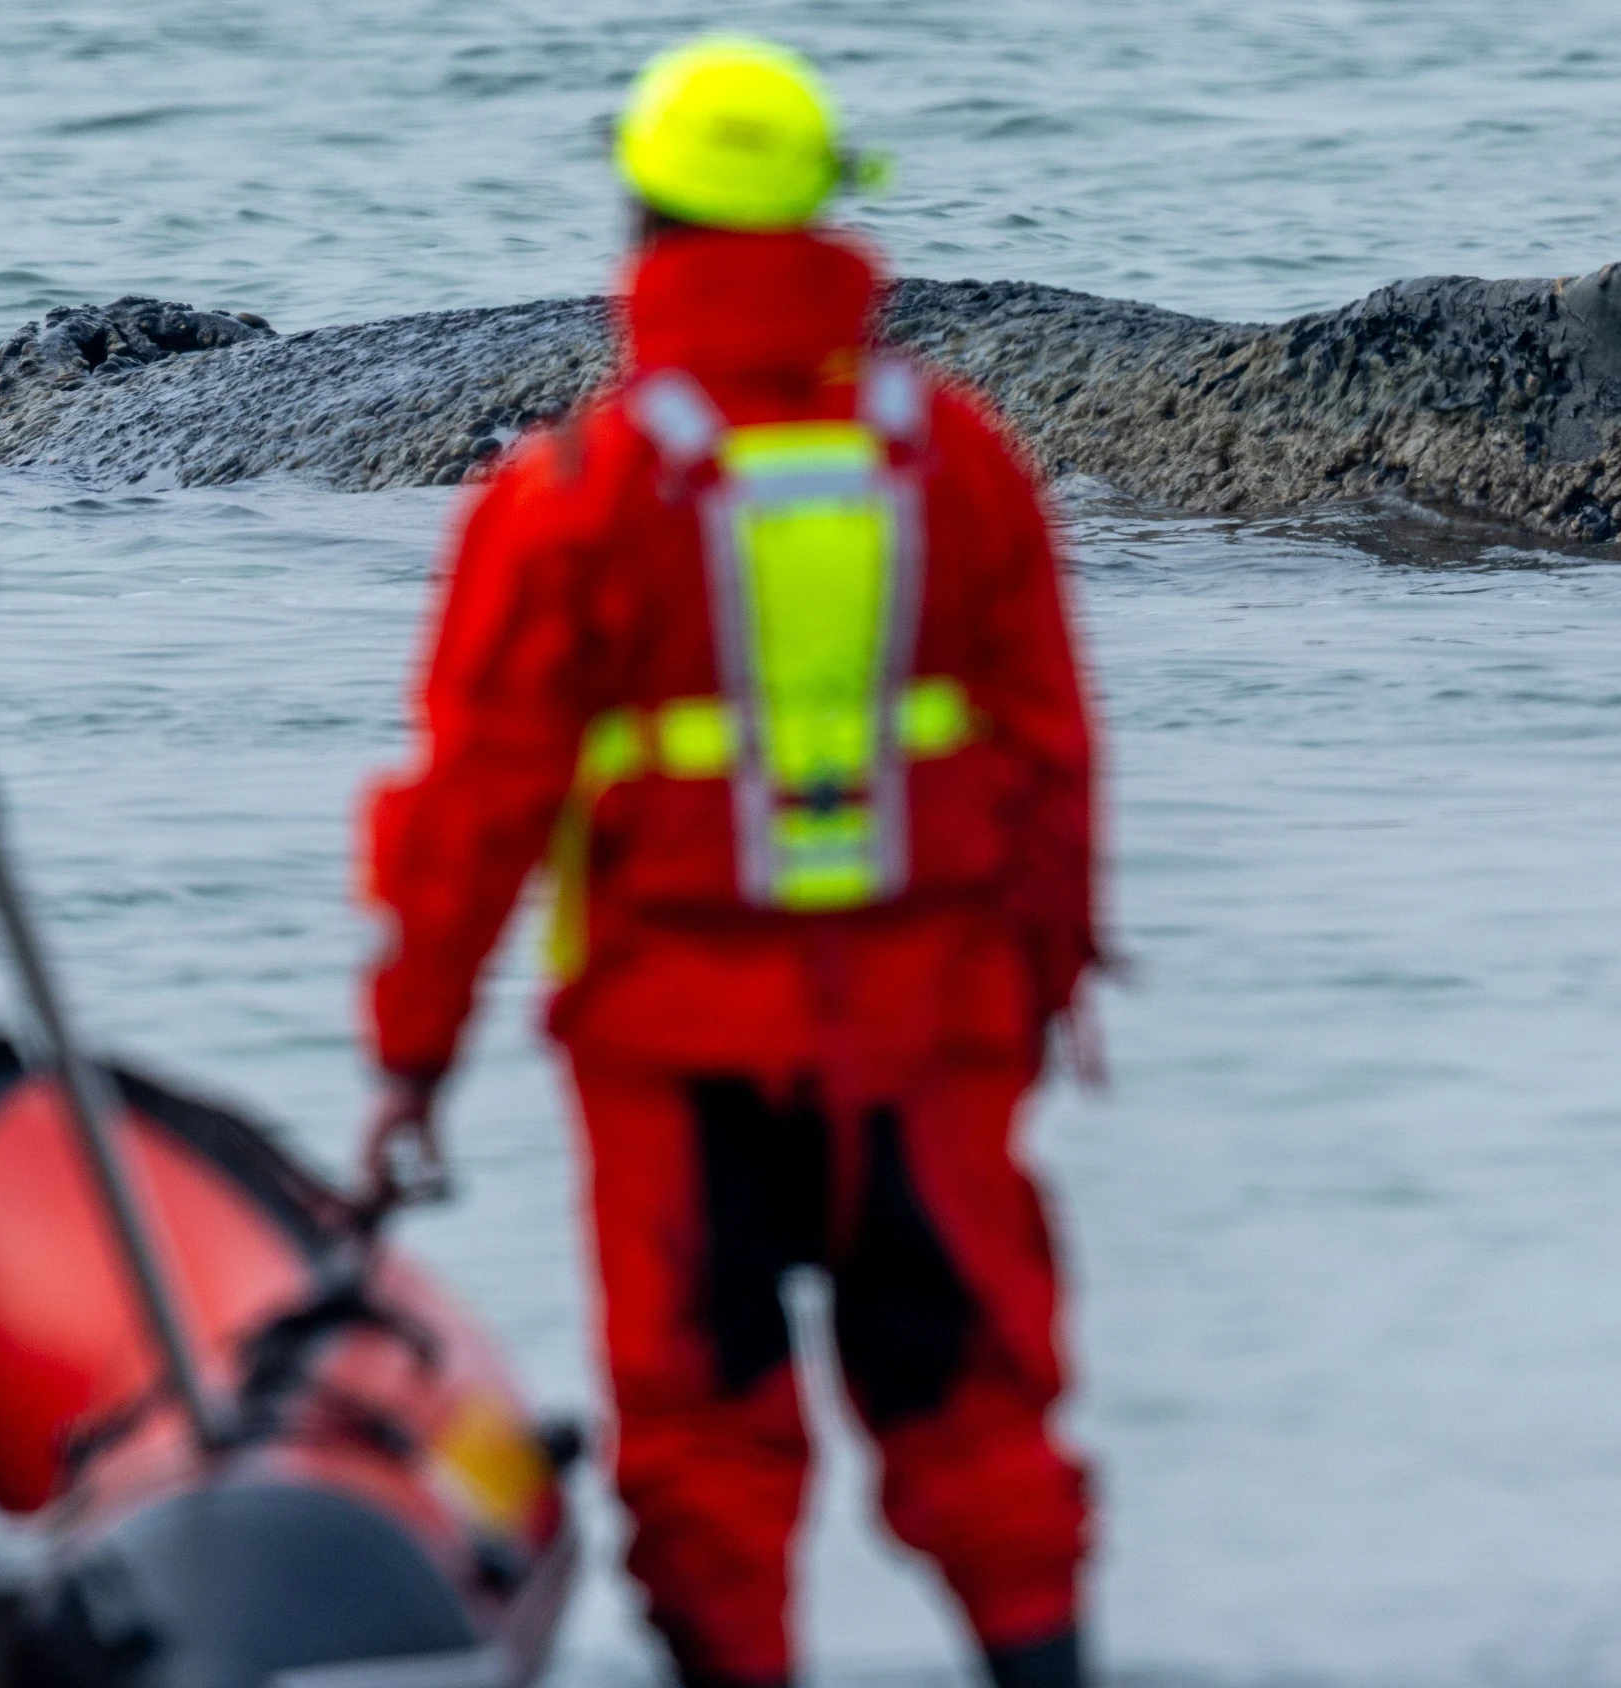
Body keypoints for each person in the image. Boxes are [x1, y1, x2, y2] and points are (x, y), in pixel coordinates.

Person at [359, 35, 1102, 1688]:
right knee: (983, 1428)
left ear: (641, 224)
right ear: (833, 221)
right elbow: (1055, 757)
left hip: (674, 1045)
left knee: (706, 1452)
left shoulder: (572, 493)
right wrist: (1042, 996)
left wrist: (409, 1058)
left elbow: (471, 806)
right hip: (928, 1030)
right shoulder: (959, 461)